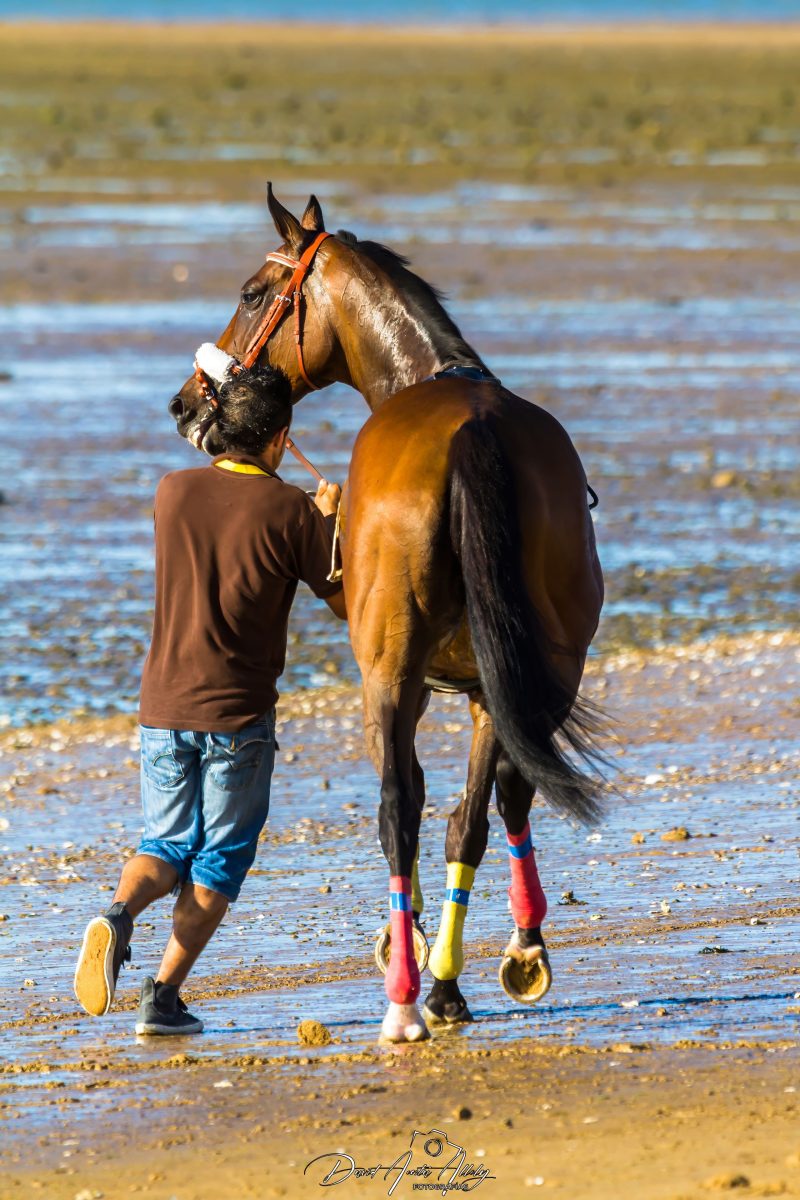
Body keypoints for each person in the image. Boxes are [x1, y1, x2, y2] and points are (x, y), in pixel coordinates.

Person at [74, 364, 345, 1035]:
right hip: (238, 719)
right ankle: (162, 995)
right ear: (281, 438)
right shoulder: (292, 512)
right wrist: (332, 525)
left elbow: (219, 479)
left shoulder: (173, 491)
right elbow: (344, 601)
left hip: (162, 708)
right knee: (218, 858)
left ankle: (117, 914)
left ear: (220, 427)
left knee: (163, 842)